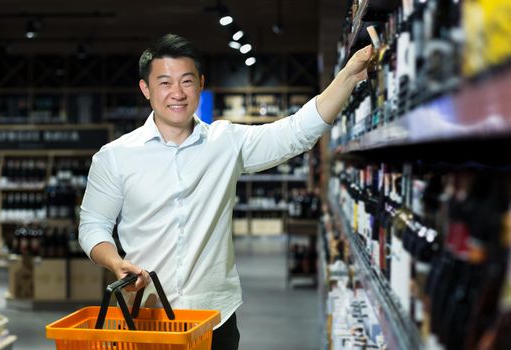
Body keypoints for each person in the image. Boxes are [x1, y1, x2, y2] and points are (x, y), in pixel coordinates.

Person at [79, 33, 371, 349]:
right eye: (165, 83)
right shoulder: (115, 155)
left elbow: (295, 133)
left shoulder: (226, 141)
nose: (177, 93)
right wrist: (114, 261)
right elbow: (93, 225)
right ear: (145, 89)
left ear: (200, 84)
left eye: (186, 81)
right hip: (147, 317)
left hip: (214, 317)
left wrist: (348, 75)